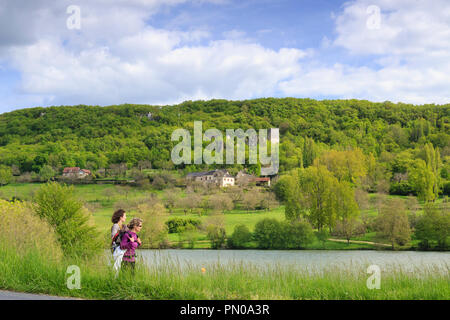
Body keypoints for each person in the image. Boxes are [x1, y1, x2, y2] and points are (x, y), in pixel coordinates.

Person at [111, 209, 127, 275]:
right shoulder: (116, 225)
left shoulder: (123, 226)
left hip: (121, 247)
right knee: (117, 265)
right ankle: (113, 279)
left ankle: (117, 279)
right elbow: (113, 237)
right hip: (116, 247)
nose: (126, 217)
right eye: (125, 216)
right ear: (121, 217)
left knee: (120, 265)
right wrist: (122, 233)